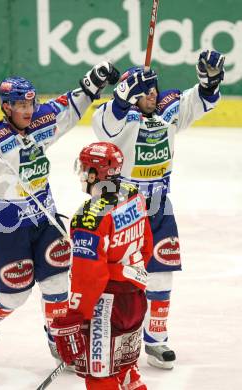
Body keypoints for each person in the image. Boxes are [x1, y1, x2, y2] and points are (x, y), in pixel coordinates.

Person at [0, 62, 120, 361]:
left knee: (57, 281)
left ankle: (57, 339)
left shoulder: (41, 121)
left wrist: (94, 81)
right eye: (19, 104)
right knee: (14, 295)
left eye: (30, 102)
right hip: (6, 224)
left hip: (44, 215)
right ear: (6, 107)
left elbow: (70, 106)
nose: (27, 109)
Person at [91, 50, 225, 369]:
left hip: (161, 207)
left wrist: (210, 80)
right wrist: (123, 100)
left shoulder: (167, 109)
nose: (153, 95)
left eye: (154, 89)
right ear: (132, 95)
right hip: (124, 211)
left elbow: (200, 100)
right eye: (146, 92)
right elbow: (104, 126)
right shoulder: (118, 118)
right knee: (121, 277)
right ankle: (109, 331)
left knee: (163, 271)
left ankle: (156, 337)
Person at [50, 142, 153, 390]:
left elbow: (89, 276)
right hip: (136, 298)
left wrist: (74, 315)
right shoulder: (133, 193)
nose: (83, 174)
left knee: (100, 377)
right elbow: (146, 245)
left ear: (96, 173)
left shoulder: (89, 216)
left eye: (85, 168)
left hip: (106, 305)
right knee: (127, 369)